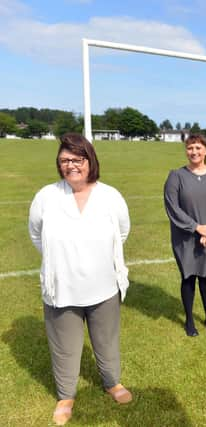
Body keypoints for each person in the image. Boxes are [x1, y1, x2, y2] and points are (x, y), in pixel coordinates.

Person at [28, 133, 133, 426]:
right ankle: (66, 396)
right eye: (64, 160)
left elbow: (122, 232)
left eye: (77, 159)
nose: (70, 165)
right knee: (64, 346)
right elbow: (36, 234)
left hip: (104, 287)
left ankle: (112, 382)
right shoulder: (46, 196)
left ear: (90, 160)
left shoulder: (110, 196)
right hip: (62, 288)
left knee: (107, 340)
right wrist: (60, 260)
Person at [164, 134, 206, 337]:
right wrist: (196, 228)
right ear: (186, 151)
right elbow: (172, 207)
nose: (194, 152)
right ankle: (190, 320)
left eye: (198, 148)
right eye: (190, 148)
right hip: (185, 237)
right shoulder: (176, 176)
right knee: (189, 277)